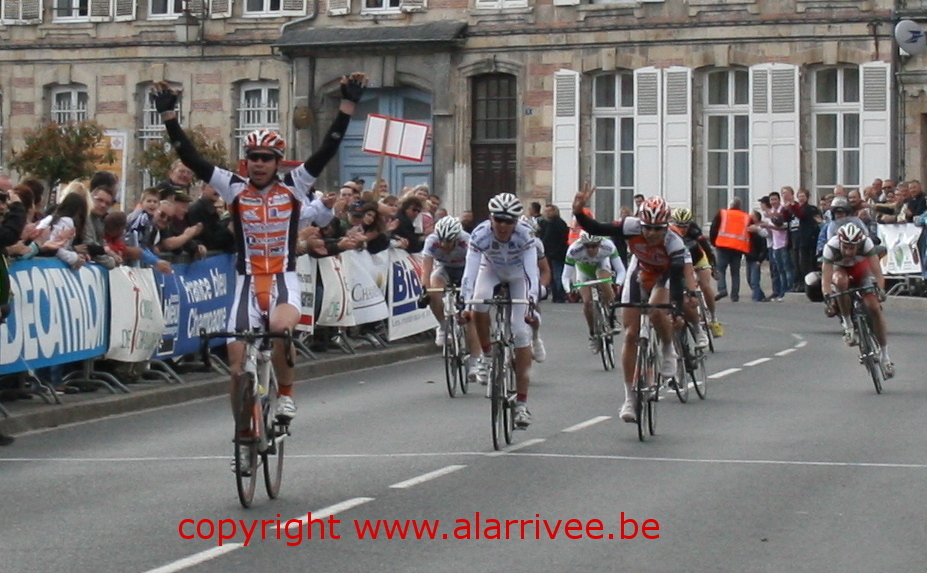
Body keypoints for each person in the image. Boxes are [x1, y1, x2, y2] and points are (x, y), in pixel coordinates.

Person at [153, 72, 367, 474]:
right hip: (245, 283)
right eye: (253, 157)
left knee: (282, 331)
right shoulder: (233, 187)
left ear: (277, 161)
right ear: (246, 161)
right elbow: (191, 158)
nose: (259, 164)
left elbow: (327, 149)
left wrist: (347, 106)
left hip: (283, 278)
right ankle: (244, 434)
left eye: (266, 158)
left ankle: (285, 393)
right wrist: (168, 116)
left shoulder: (295, 185)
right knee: (237, 368)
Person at [572, 185, 692, 423]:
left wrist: (676, 309)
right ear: (641, 223)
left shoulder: (674, 243)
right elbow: (597, 228)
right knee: (630, 335)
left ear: (666, 226)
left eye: (658, 229)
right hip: (640, 272)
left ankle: (668, 349)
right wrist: (578, 212)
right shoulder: (630, 226)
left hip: (664, 276)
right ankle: (629, 397)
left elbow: (677, 281)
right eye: (647, 228)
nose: (651, 234)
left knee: (658, 311)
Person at [461, 193, 540, 429]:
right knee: (478, 302)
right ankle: (486, 355)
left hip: (518, 276)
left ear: (516, 221)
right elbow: (470, 272)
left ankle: (522, 405)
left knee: (520, 333)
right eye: (499, 220)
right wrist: (465, 302)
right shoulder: (480, 234)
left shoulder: (525, 235)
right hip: (491, 270)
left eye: (509, 221)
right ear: (490, 218)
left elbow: (531, 273)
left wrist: (531, 300)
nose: (503, 226)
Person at [821, 223, 893, 377]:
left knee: (873, 308)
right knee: (841, 282)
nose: (848, 252)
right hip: (839, 270)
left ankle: (885, 356)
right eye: (845, 247)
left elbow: (877, 271)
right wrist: (827, 295)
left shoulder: (866, 244)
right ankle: (848, 326)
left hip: (861, 270)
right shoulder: (831, 247)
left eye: (852, 248)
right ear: (839, 242)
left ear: (859, 244)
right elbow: (826, 277)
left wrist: (880, 290)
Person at [562, 231, 626, 353]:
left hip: (602, 267)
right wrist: (569, 290)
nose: (591, 249)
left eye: (594, 246)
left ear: (600, 243)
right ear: (582, 244)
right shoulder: (574, 250)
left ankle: (612, 319)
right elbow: (565, 276)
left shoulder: (608, 246)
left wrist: (617, 284)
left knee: (603, 279)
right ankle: (593, 333)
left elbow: (621, 270)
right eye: (587, 246)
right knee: (587, 302)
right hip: (583, 271)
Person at [670, 207, 722, 337]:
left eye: (685, 226)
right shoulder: (669, 232)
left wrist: (713, 267)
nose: (682, 229)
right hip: (681, 261)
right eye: (679, 225)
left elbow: (707, 248)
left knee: (705, 285)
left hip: (698, 258)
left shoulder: (694, 230)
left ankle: (714, 319)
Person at [709, 197, 751, 302]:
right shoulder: (746, 217)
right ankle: (735, 295)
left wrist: (713, 242)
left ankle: (722, 289)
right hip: (738, 247)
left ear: (730, 205)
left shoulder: (723, 213)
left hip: (723, 245)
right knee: (735, 272)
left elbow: (714, 228)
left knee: (720, 269)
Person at [538, 204, 569, 303]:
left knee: (557, 275)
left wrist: (555, 251)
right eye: (546, 211)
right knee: (551, 275)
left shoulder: (559, 223)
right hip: (548, 253)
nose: (547, 213)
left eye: (549, 211)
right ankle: (556, 295)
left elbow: (562, 240)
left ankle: (560, 295)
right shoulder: (547, 224)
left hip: (557, 253)